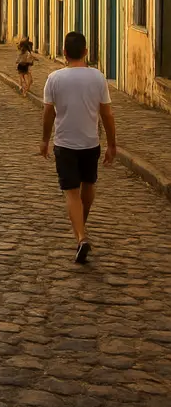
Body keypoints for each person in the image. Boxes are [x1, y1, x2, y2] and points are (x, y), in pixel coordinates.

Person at [40, 31, 117, 265]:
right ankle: (81, 229)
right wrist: (112, 144)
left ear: (64, 53)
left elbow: (48, 114)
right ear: (86, 52)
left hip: (65, 143)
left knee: (71, 192)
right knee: (88, 185)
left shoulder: (54, 78)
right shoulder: (98, 77)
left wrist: (44, 140)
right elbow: (107, 114)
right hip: (90, 142)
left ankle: (81, 236)